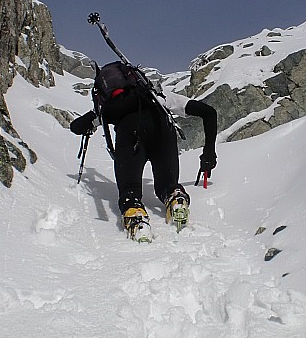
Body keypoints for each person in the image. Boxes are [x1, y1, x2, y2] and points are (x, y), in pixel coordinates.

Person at [70, 61, 217, 236]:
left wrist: (96, 117)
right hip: (162, 130)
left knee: (130, 189)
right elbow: (209, 112)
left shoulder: (109, 107)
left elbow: (76, 127)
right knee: (166, 185)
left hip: (129, 134)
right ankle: (175, 197)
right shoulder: (158, 96)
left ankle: (135, 215)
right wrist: (209, 153)